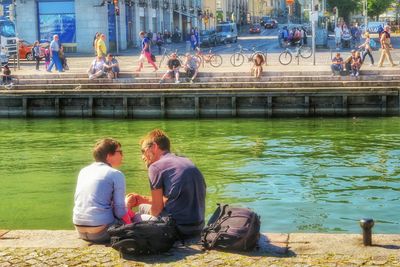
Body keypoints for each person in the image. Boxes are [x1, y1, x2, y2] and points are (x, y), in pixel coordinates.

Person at [125, 129, 206, 238]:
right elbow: (174, 198)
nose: (142, 156)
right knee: (143, 205)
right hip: (198, 226)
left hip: (178, 229)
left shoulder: (155, 167)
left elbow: (157, 209)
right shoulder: (186, 160)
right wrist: (142, 199)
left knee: (136, 216)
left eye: (143, 151)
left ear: (154, 146)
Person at [73, 138, 135, 243]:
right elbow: (120, 212)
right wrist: (127, 205)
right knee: (137, 218)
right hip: (102, 232)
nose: (122, 155)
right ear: (108, 156)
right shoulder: (115, 174)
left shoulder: (83, 171)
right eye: (119, 152)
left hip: (79, 229)